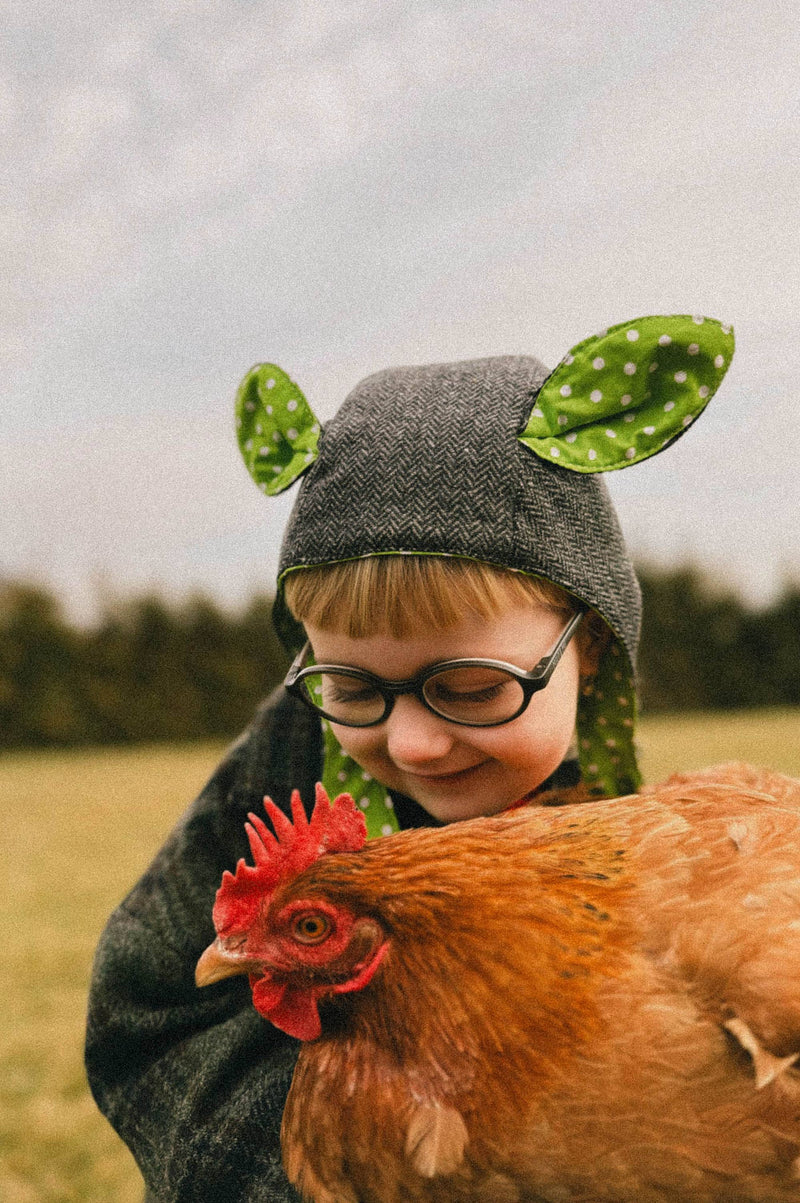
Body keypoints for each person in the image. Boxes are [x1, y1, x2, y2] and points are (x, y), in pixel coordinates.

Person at [85, 314, 734, 1202]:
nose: (413, 742)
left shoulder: (621, 832)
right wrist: (346, 1152)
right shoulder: (278, 773)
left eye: (470, 687)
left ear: (588, 651)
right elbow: (146, 1018)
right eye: (352, 688)